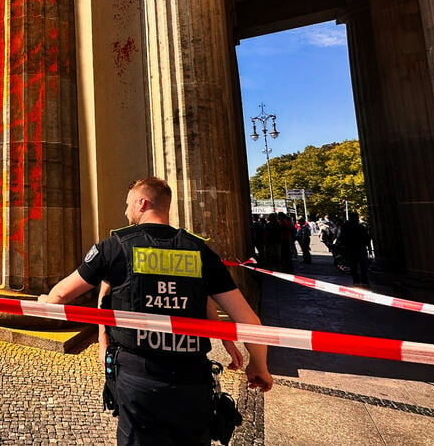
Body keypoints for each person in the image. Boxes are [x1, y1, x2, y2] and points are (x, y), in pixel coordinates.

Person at [39, 177, 272, 445]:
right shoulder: (200, 250)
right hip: (192, 379)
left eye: (128, 205)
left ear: (142, 203)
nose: (126, 212)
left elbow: (61, 294)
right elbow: (247, 319)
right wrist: (258, 364)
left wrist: (45, 301)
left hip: (139, 377)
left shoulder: (114, 247)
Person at [337, 212, 371, 287]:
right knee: (363, 265)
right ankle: (364, 280)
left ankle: (356, 280)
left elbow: (342, 237)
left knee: (353, 265)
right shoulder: (360, 227)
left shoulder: (345, 227)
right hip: (360, 247)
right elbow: (366, 238)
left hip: (350, 248)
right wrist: (368, 247)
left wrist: (344, 245)